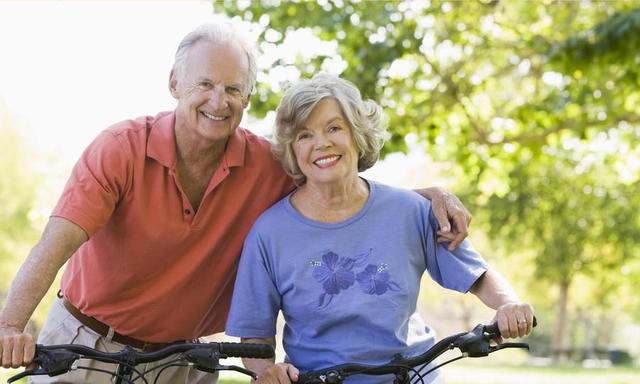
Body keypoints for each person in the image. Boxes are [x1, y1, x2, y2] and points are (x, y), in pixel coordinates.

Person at [0, 19, 472, 383]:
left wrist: (424, 197)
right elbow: (54, 244)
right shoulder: (120, 149)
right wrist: (9, 327)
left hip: (185, 357)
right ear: (174, 84)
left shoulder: (267, 165)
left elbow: (339, 192)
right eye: (205, 84)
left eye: (233, 89)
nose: (218, 100)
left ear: (247, 97)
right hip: (87, 343)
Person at [225, 74, 535, 384]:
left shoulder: (411, 211)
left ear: (358, 135)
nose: (322, 143)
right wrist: (266, 373)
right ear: (292, 149)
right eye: (305, 135)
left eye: (334, 128)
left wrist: (507, 305)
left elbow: (477, 275)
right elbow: (255, 336)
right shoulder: (269, 233)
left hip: (413, 375)